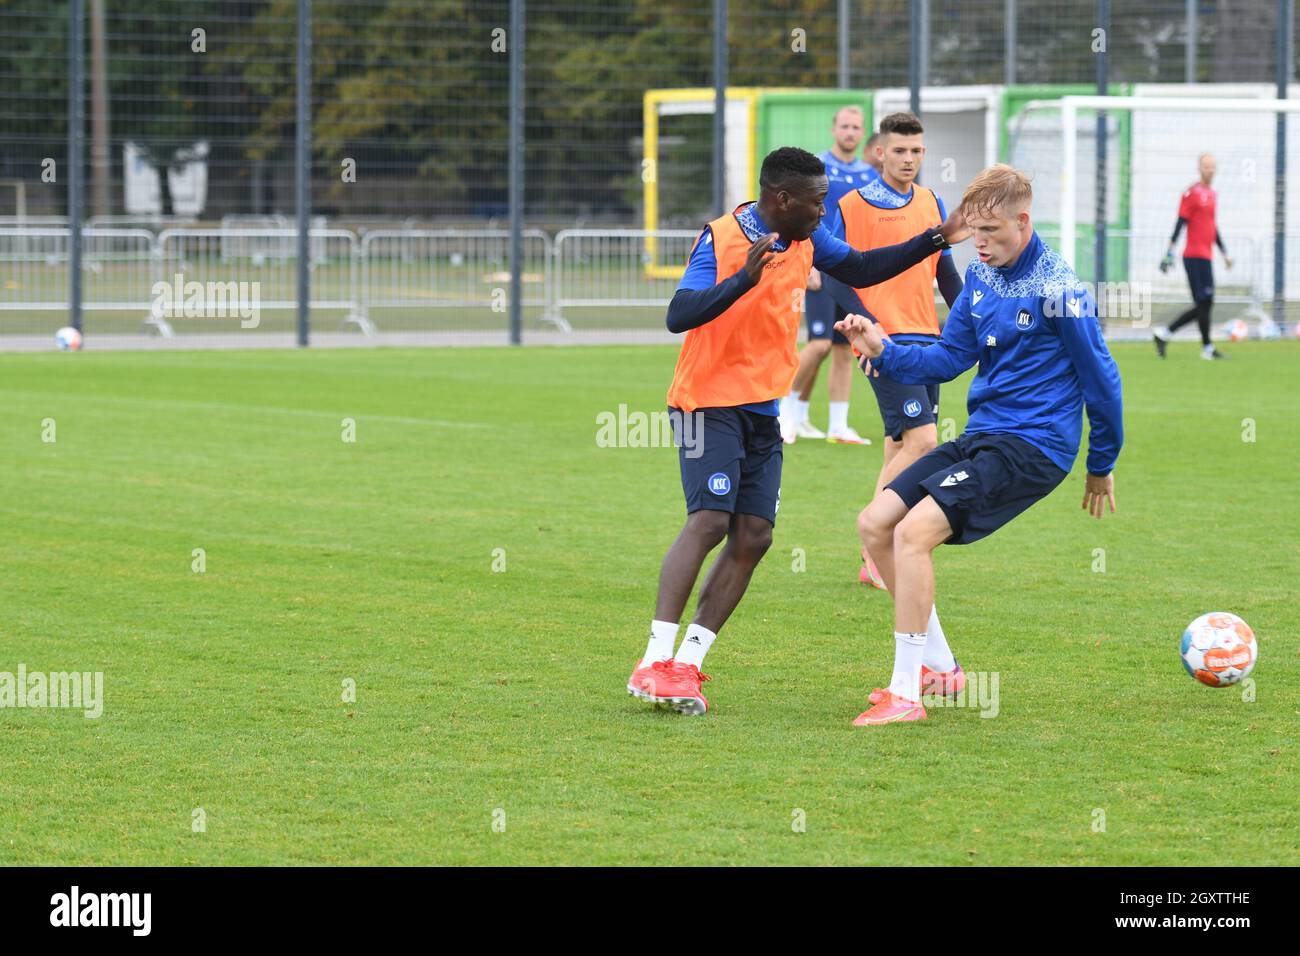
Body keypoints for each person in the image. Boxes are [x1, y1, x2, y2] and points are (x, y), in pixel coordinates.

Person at [627, 146, 970, 716]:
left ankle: (686, 662)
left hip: (763, 409)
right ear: (782, 200)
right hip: (704, 404)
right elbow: (678, 315)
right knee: (710, 519)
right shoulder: (722, 237)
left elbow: (862, 266)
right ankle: (652, 660)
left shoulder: (806, 239)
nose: (822, 212)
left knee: (755, 535)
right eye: (815, 203)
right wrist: (743, 278)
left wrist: (937, 237)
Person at [837, 164, 1123, 726]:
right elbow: (948, 358)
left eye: (991, 232)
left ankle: (907, 695)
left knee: (913, 535)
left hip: (1034, 447)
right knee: (875, 526)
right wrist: (884, 349)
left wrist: (1101, 463)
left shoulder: (1060, 290)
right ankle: (940, 668)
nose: (981, 244)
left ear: (1023, 220)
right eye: (974, 231)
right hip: (982, 437)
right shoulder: (982, 279)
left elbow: (1103, 380)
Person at [822, 112, 964, 589]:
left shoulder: (931, 201)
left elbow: (945, 272)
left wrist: (968, 321)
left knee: (900, 444)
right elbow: (838, 273)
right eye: (899, 150)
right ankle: (877, 538)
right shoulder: (850, 204)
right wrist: (869, 328)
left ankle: (874, 554)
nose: (908, 159)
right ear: (880, 151)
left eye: (917, 151)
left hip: (929, 340)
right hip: (885, 343)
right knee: (925, 443)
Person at [779, 107, 881, 445]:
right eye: (845, 126)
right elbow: (802, 218)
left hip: (849, 271)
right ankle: (784, 410)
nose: (850, 132)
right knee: (819, 343)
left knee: (843, 349)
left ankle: (837, 425)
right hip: (821, 268)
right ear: (834, 129)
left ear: (862, 132)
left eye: (856, 127)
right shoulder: (818, 169)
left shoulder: (869, 175)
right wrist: (808, 265)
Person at [1152, 153, 1233, 360]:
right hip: (1193, 256)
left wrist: (1224, 253)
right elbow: (1180, 223)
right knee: (1204, 302)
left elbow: (1212, 228)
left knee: (1204, 303)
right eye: (1206, 166)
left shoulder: (1213, 194)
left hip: (1206, 256)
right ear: (1199, 168)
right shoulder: (1192, 193)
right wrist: (1169, 252)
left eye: (1213, 166)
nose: (1210, 170)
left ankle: (1166, 334)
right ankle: (1206, 348)